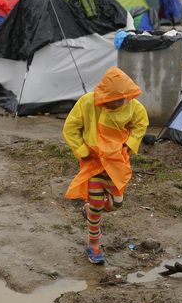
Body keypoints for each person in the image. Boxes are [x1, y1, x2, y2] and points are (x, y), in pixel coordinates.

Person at [62, 67, 149, 264]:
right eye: (116, 100)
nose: (120, 103)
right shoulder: (87, 102)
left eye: (123, 99)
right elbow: (70, 127)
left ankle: (90, 210)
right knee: (96, 204)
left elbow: (141, 124)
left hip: (117, 163)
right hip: (93, 163)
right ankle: (94, 245)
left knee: (117, 203)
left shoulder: (133, 107)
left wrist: (129, 144)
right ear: (105, 96)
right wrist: (83, 151)